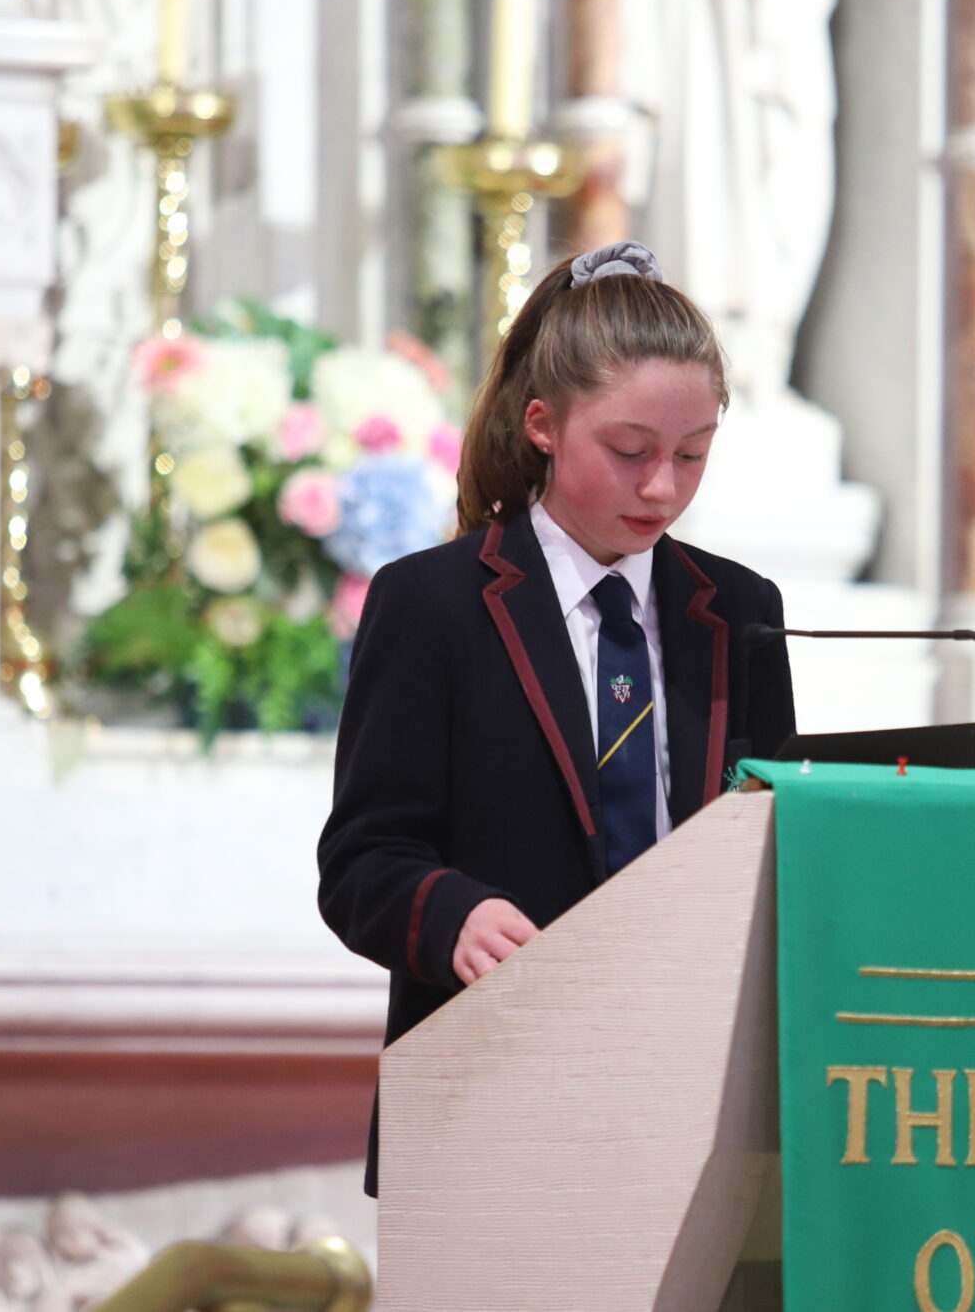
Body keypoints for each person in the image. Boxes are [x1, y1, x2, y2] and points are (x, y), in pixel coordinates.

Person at [316, 240, 799, 1194]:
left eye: (692, 454)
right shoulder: (434, 604)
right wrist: (451, 914)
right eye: (630, 451)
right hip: (491, 1090)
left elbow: (770, 839)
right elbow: (363, 860)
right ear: (542, 424)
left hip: (691, 1097)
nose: (662, 487)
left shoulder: (741, 611)